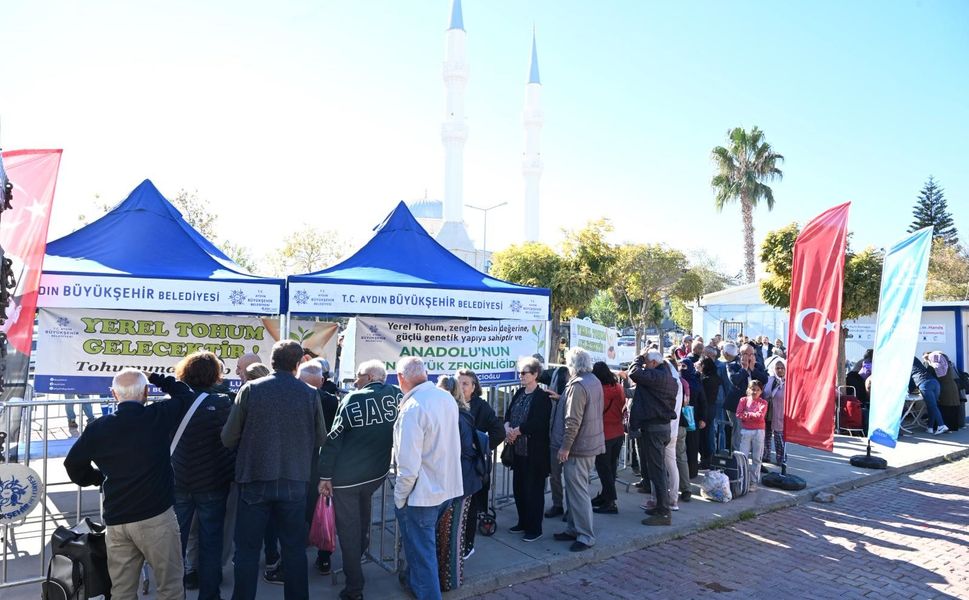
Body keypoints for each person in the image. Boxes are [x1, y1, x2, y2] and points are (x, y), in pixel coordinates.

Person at [64, 369, 193, 600]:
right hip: (157, 518)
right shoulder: (158, 415)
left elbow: (72, 465)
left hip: (117, 520)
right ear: (145, 393)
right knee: (170, 587)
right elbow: (185, 395)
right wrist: (156, 377)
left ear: (114, 394)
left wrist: (97, 478)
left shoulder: (98, 427)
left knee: (121, 591)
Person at [221, 340, 326, 600]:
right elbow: (321, 438)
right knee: (293, 550)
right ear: (298, 363)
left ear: (272, 362)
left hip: (254, 478)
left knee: (246, 551)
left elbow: (228, 437)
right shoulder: (310, 394)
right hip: (294, 479)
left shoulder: (250, 390)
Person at [155, 352, 236, 600]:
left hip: (178, 480)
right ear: (215, 375)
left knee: (174, 542)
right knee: (211, 541)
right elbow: (230, 441)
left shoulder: (174, 403)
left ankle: (172, 593)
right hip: (213, 482)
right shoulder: (223, 404)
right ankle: (210, 594)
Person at [317, 360, 400, 600]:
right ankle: (359, 553)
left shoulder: (353, 400)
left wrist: (324, 475)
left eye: (358, 376)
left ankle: (354, 587)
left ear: (372, 377)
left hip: (347, 478)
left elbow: (333, 440)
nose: (355, 381)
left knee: (349, 531)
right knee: (361, 519)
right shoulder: (396, 395)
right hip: (376, 474)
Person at [393, 357, 463, 600]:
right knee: (423, 552)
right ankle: (414, 585)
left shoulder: (413, 408)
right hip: (445, 487)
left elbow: (408, 466)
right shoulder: (445, 398)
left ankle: (426, 592)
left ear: (401, 378)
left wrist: (399, 497)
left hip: (422, 494)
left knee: (422, 556)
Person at [553, 348, 604, 552]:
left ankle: (585, 535)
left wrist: (565, 447)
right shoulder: (593, 380)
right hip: (588, 443)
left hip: (578, 447)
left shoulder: (578, 385)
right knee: (576, 489)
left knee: (578, 491)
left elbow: (572, 420)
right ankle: (574, 528)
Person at [435, 375, 481, 590]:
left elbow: (465, 452)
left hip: (460, 484)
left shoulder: (459, 417)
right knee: (444, 533)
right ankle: (443, 578)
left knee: (453, 535)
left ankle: (450, 581)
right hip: (452, 483)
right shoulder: (449, 414)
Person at [503, 356, 552, 542]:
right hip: (517, 451)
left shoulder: (542, 397)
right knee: (519, 489)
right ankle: (522, 521)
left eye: (524, 373)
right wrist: (507, 427)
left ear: (535, 375)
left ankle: (534, 528)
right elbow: (509, 412)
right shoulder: (519, 393)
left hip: (534, 453)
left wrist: (518, 430)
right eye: (520, 372)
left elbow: (539, 422)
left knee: (534, 491)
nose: (521, 376)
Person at [297, 361, 340, 576]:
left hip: (299, 464)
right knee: (324, 511)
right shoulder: (332, 400)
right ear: (322, 381)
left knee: (298, 512)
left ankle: (294, 558)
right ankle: (324, 559)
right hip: (325, 465)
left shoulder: (295, 398)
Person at [456, 368, 504, 559]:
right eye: (458, 382)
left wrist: (482, 449)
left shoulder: (481, 407)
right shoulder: (451, 404)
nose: (461, 386)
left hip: (474, 468)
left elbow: (498, 432)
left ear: (474, 387)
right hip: (456, 466)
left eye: (465, 383)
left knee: (471, 508)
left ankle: (468, 546)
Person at [628, 350, 678, 526]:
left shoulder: (658, 377)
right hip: (662, 428)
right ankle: (661, 507)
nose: (645, 366)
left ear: (654, 363)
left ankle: (664, 511)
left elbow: (634, 372)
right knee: (658, 469)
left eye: (647, 363)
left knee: (657, 471)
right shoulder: (669, 379)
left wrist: (639, 358)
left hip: (655, 429)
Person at [591, 362, 625, 515]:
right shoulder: (618, 387)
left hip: (605, 434)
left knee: (604, 469)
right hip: (618, 432)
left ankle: (610, 501)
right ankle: (605, 496)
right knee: (610, 468)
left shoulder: (600, 392)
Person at [537, 357, 569, 519]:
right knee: (555, 475)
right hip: (555, 436)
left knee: (572, 479)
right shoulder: (559, 372)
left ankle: (572, 509)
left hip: (572, 440)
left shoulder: (581, 384)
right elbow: (540, 375)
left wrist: (560, 398)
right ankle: (558, 504)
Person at [736, 380, 768, 489]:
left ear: (761, 391)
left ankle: (754, 481)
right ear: (748, 389)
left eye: (757, 390)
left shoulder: (763, 403)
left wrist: (747, 414)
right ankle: (742, 479)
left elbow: (760, 416)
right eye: (753, 389)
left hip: (759, 431)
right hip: (745, 430)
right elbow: (738, 414)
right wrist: (752, 415)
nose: (755, 392)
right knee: (742, 456)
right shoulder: (743, 400)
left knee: (756, 457)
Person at [910, 356, 948, 435]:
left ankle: (942, 425)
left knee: (932, 406)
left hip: (924, 383)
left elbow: (911, 381)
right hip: (935, 382)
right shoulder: (917, 363)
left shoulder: (908, 365)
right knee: (932, 406)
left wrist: (910, 390)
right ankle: (930, 427)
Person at [762, 358, 787, 465]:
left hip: (780, 412)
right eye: (778, 368)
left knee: (779, 437)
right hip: (767, 411)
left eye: (782, 368)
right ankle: (766, 455)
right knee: (766, 435)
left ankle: (781, 458)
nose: (780, 370)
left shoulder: (788, 382)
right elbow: (764, 393)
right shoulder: (769, 380)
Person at [698, 356, 721, 468]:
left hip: (705, 408)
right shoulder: (715, 377)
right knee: (708, 434)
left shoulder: (705, 379)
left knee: (704, 436)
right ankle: (708, 459)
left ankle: (706, 460)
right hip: (712, 407)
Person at [929, 352, 962, 433]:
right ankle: (952, 427)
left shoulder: (935, 366)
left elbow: (932, 376)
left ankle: (943, 426)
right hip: (953, 386)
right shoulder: (947, 364)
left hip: (944, 388)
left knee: (944, 407)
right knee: (952, 405)